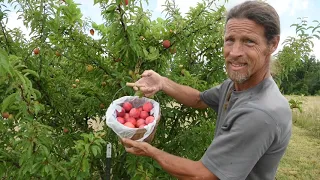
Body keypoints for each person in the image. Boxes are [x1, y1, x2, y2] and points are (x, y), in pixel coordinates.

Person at [122, 1, 292, 180]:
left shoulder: (260, 113)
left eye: (249, 41)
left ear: (272, 44)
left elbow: (205, 176)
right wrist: (162, 82)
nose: (234, 52)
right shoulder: (235, 85)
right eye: (230, 40)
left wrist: (150, 151)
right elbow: (198, 99)